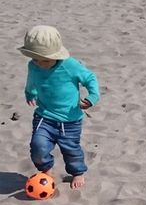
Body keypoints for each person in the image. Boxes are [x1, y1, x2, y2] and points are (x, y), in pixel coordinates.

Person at [19, 25, 101, 189]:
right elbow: (32, 80)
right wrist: (30, 92)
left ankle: (77, 172)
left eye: (45, 60)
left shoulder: (70, 65)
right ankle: (46, 171)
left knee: (71, 150)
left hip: (70, 120)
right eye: (36, 59)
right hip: (44, 116)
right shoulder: (33, 65)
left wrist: (92, 97)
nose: (40, 64)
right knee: (37, 146)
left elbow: (90, 78)